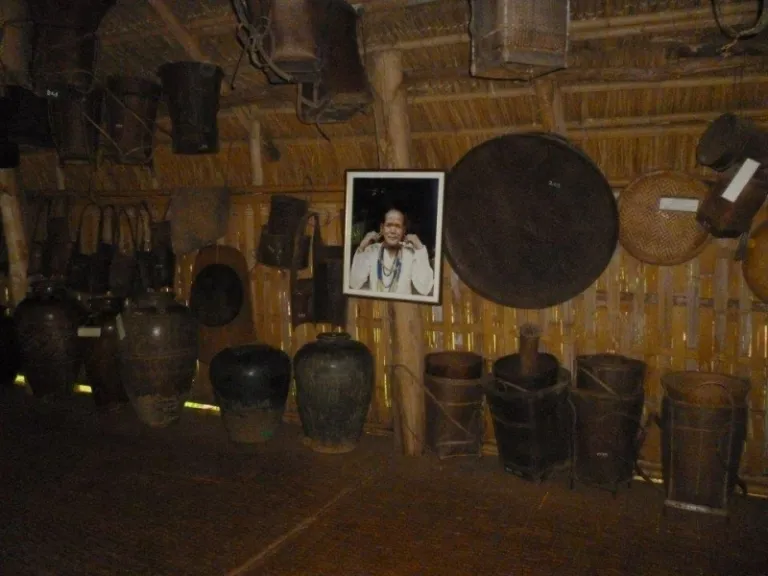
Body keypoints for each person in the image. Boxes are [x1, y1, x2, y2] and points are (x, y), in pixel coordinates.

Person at [349, 207, 434, 296]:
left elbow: (425, 289)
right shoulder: (371, 250)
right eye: (389, 225)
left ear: (404, 230)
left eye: (397, 226)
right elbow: (354, 284)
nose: (393, 231)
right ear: (382, 228)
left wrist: (420, 247)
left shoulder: (410, 253)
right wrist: (362, 246)